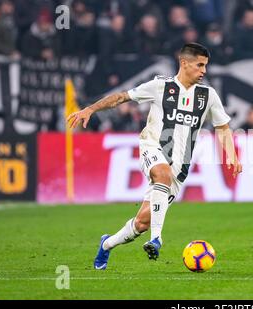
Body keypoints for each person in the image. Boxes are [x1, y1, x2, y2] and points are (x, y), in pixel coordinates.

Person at [67, 43, 242, 269]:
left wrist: (233, 156)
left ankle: (107, 244)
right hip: (152, 148)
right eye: (200, 65)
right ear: (184, 63)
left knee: (141, 222)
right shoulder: (161, 86)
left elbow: (223, 127)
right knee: (162, 173)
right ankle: (157, 239)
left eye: (206, 66)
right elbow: (122, 97)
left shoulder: (208, 95)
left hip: (180, 168)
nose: (204, 71)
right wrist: (90, 109)